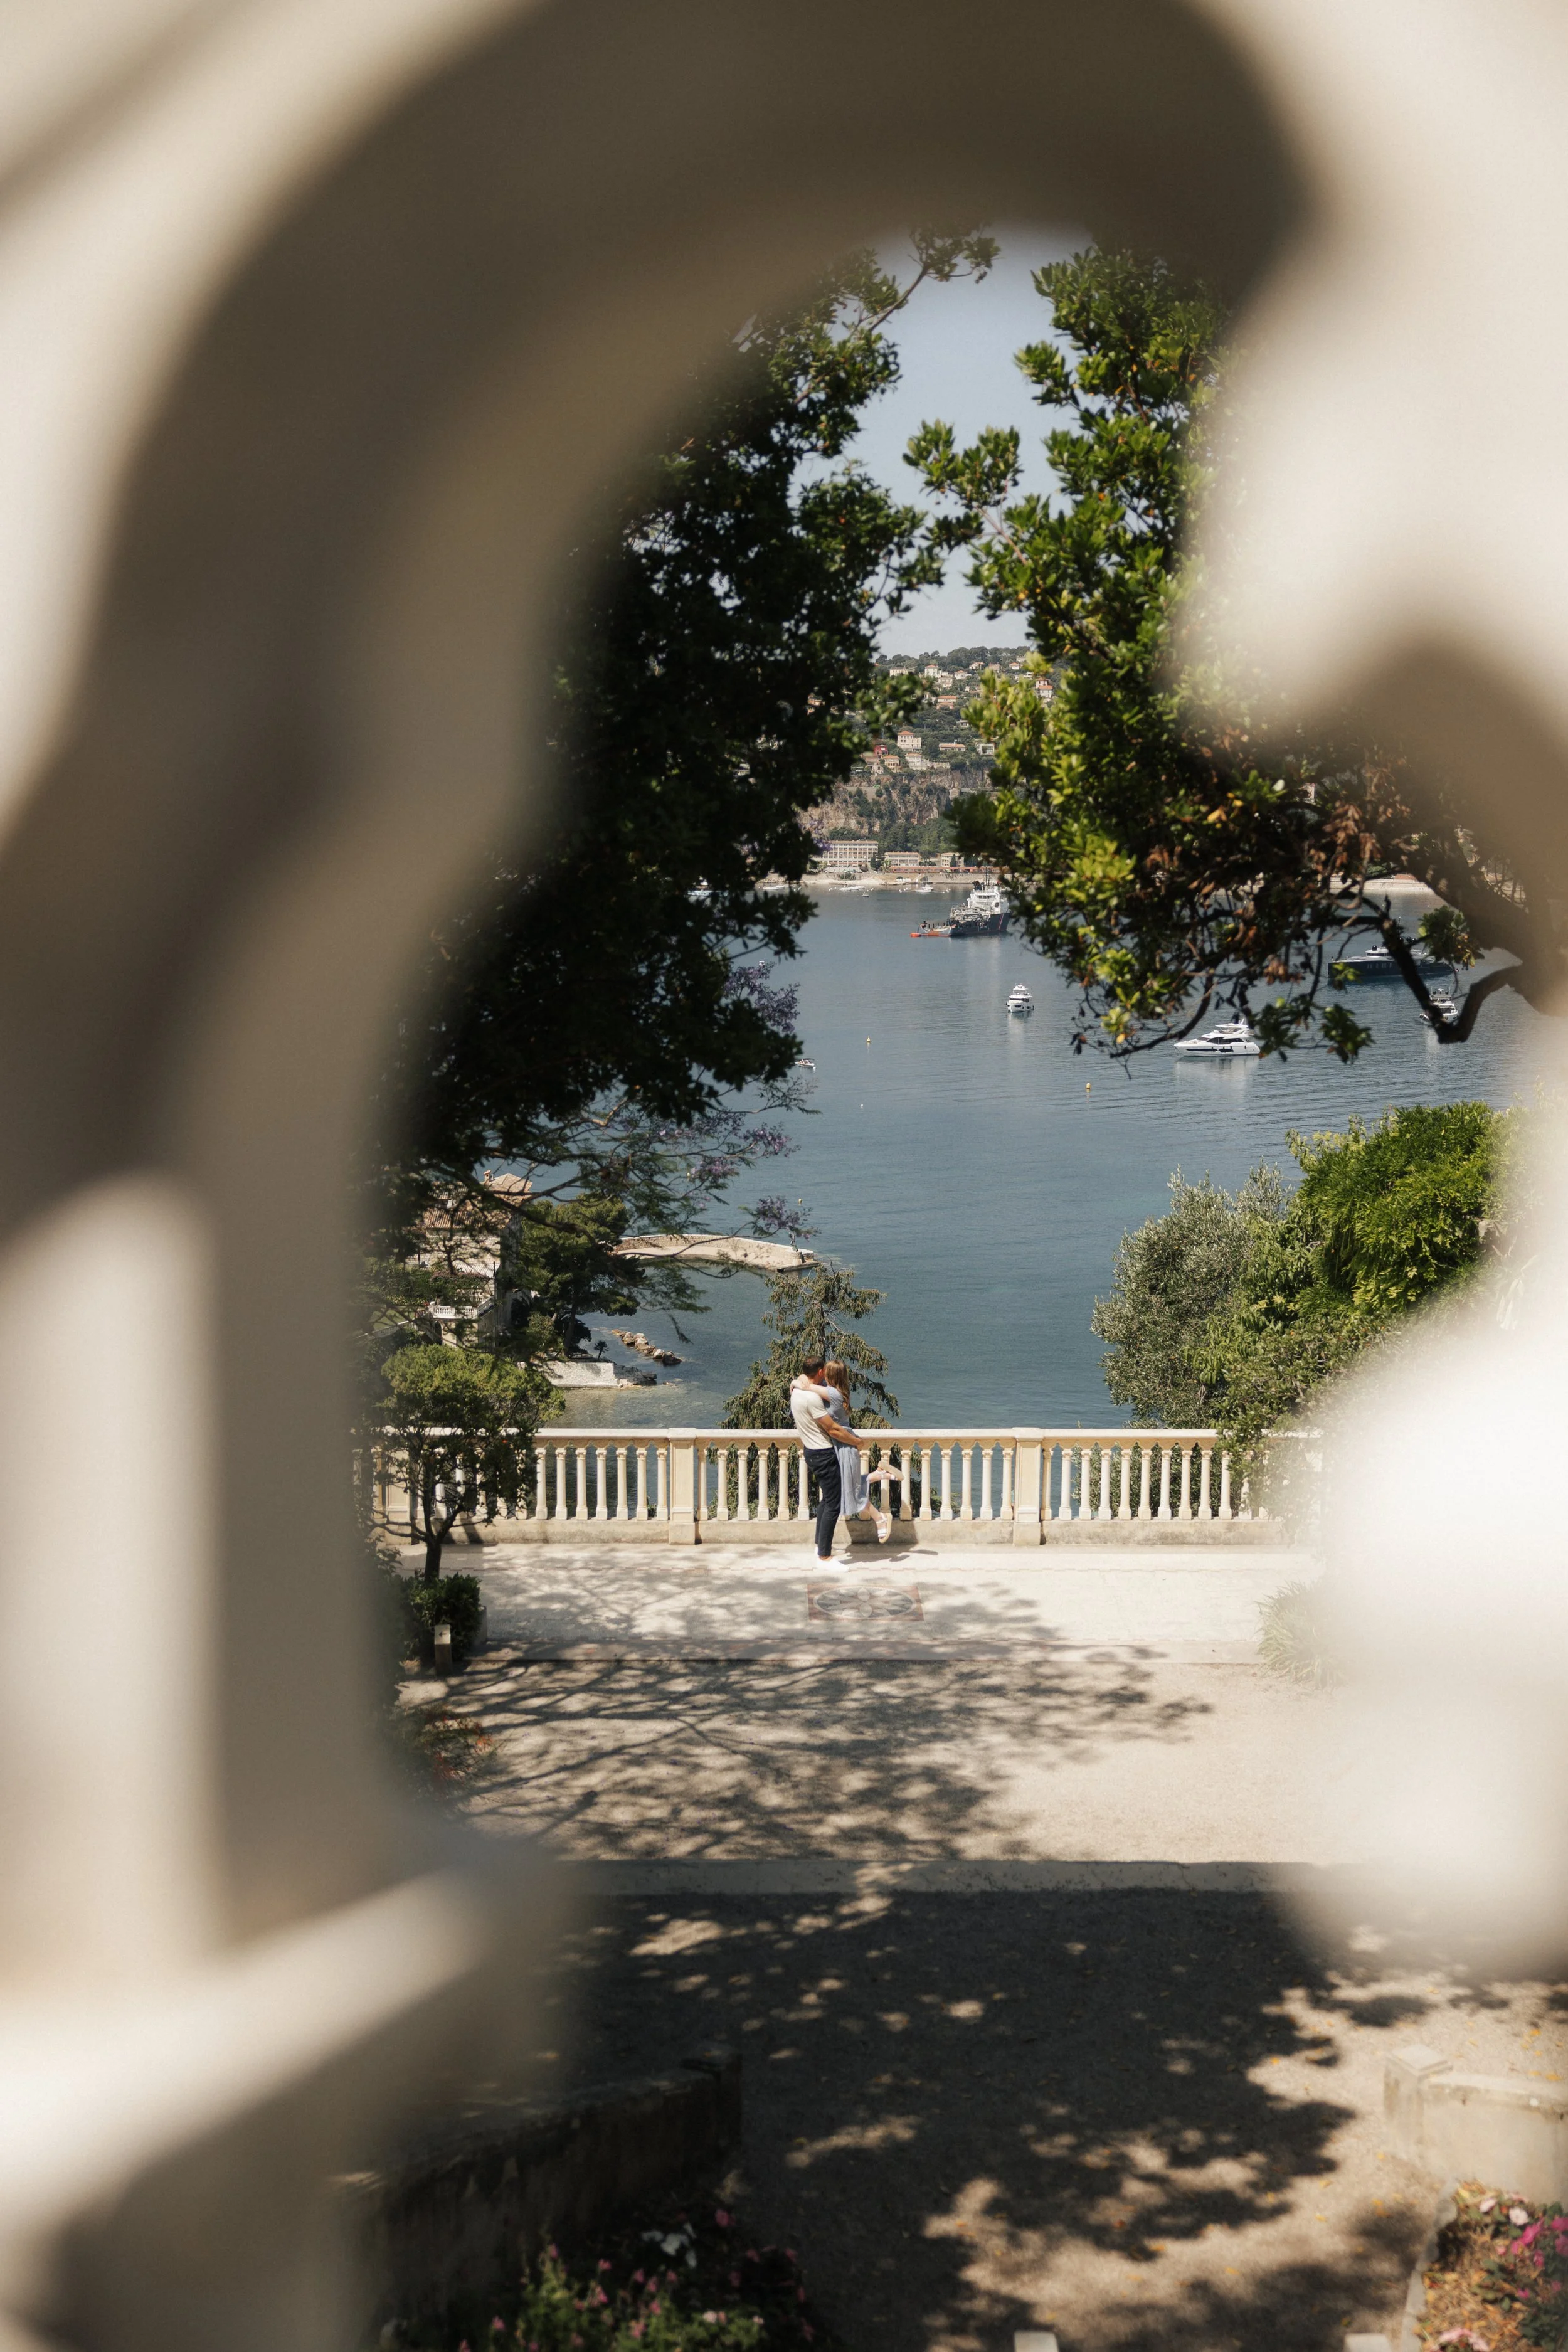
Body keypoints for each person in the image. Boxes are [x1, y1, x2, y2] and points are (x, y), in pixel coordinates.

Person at [788, 1354, 890, 1562]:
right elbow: (834, 1430)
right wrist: (857, 1442)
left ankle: (822, 1547)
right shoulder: (821, 1393)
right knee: (835, 1500)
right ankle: (824, 1555)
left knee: (834, 1496)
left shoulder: (821, 1393)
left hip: (829, 1450)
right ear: (820, 1373)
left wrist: (797, 1382)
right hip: (834, 1448)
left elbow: (806, 1384)